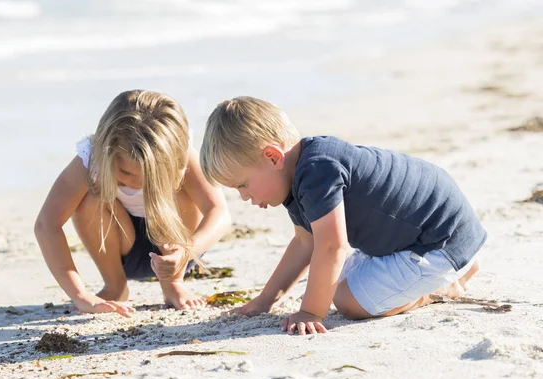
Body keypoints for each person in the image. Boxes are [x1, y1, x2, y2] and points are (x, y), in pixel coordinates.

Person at [199, 96, 486, 335]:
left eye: (243, 185)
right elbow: (305, 244)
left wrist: (311, 312)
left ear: (273, 157)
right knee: (336, 280)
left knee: (348, 301)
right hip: (415, 233)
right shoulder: (299, 173)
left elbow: (332, 246)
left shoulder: (317, 172)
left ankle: (441, 287)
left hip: (440, 240)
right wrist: (264, 301)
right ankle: (449, 273)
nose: (244, 197)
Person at [35, 90, 230, 317]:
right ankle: (115, 285)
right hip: (121, 247)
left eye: (150, 175)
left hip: (176, 246)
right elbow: (46, 224)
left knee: (185, 193)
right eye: (126, 173)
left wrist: (185, 252)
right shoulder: (93, 158)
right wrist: (80, 296)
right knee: (91, 198)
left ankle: (173, 284)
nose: (138, 183)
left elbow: (219, 212)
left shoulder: (180, 152)